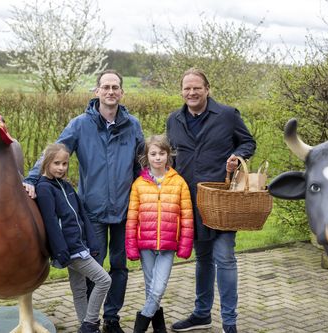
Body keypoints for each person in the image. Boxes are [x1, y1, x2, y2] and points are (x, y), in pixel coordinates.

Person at [23, 69, 144, 333]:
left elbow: (140, 164)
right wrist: (31, 179)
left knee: (120, 266)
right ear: (97, 91)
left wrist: (153, 188)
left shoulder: (132, 125)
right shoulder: (80, 124)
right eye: (106, 87)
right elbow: (53, 152)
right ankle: (91, 320)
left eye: (115, 87)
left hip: (124, 210)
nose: (110, 92)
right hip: (92, 211)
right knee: (94, 267)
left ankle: (111, 318)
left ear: (122, 93)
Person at [166, 68, 256, 333]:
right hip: (191, 202)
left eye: (197, 88)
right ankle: (202, 314)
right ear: (181, 91)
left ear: (207, 89)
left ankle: (229, 323)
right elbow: (171, 156)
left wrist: (237, 156)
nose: (191, 93)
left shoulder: (228, 115)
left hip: (222, 200)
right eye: (187, 88)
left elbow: (248, 142)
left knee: (224, 257)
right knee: (203, 258)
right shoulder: (174, 119)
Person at [35, 143, 112, 333]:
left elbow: (82, 215)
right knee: (104, 280)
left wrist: (92, 242)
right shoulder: (44, 188)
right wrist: (61, 250)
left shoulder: (66, 186)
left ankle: (87, 326)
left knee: (79, 289)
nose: (61, 168)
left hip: (80, 245)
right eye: (57, 163)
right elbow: (51, 222)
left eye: (65, 164)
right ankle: (90, 322)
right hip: (70, 249)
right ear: (46, 162)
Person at [125, 135, 194, 333]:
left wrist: (185, 245)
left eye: (161, 153)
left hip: (168, 245)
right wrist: (131, 246)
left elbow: (187, 218)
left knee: (158, 287)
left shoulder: (179, 183)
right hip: (145, 245)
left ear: (168, 155)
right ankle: (159, 327)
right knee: (150, 288)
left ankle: (140, 324)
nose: (157, 158)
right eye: (153, 154)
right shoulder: (138, 184)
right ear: (147, 157)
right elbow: (132, 218)